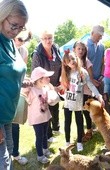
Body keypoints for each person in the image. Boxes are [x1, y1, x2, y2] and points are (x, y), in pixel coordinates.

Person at [0, 0, 28, 169]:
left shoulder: (10, 41)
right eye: (14, 25)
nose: (17, 31)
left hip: (7, 115)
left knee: (8, 159)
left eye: (22, 27)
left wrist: (22, 81)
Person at [59, 50, 104, 152]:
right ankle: (67, 142)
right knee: (67, 123)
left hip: (79, 103)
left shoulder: (82, 72)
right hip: (68, 103)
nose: (72, 61)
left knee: (79, 122)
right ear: (65, 63)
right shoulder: (65, 73)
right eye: (69, 60)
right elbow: (62, 87)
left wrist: (98, 95)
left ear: (77, 58)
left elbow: (90, 84)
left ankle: (79, 142)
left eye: (73, 59)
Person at [21, 67, 60, 164]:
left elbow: (49, 98)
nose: (49, 78)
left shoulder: (45, 88)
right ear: (39, 79)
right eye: (46, 77)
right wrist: (28, 83)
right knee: (39, 136)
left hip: (45, 117)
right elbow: (22, 91)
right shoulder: (31, 91)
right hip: (36, 119)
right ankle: (40, 155)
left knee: (45, 135)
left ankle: (45, 149)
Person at [32, 29, 62, 143]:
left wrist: (60, 79)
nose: (48, 40)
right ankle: (48, 135)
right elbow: (36, 73)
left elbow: (62, 65)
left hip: (55, 82)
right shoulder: (37, 54)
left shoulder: (56, 48)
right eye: (44, 38)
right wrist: (49, 86)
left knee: (55, 106)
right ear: (41, 39)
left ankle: (56, 128)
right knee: (47, 109)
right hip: (44, 84)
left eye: (50, 38)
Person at [11, 30, 32, 165]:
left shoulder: (23, 51)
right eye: (19, 39)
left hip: (16, 92)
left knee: (15, 123)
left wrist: (25, 83)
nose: (20, 42)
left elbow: (22, 72)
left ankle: (15, 153)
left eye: (24, 40)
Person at [73, 41, 94, 142]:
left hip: (86, 91)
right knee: (78, 112)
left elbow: (91, 77)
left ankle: (89, 130)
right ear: (74, 50)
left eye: (83, 49)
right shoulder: (72, 61)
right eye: (79, 49)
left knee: (86, 111)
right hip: (76, 92)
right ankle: (80, 132)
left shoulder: (87, 62)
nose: (81, 51)